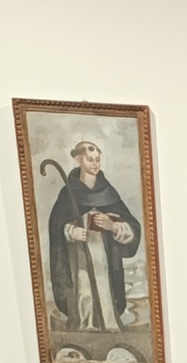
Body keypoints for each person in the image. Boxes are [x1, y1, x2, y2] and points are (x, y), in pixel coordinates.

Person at [47, 137, 143, 332]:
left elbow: (132, 226)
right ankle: (84, 326)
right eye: (90, 159)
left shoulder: (108, 192)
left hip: (105, 259)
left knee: (105, 291)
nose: (95, 164)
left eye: (97, 159)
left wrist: (112, 226)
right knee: (83, 291)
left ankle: (108, 325)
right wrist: (71, 231)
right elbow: (56, 225)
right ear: (79, 160)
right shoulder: (68, 193)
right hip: (77, 258)